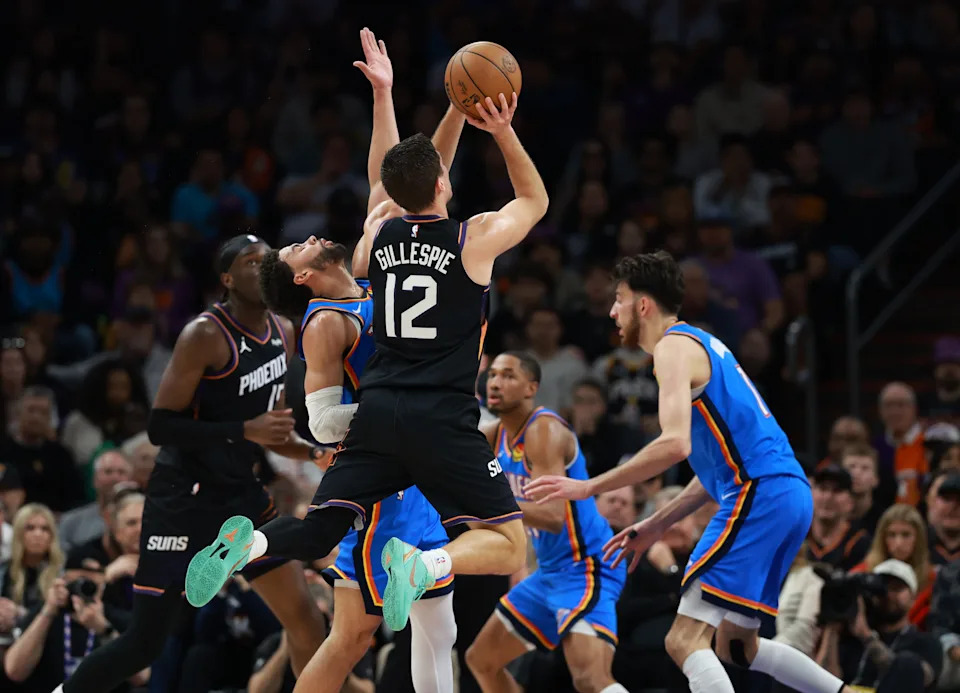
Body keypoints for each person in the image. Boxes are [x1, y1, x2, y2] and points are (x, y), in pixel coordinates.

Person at [185, 87, 548, 637]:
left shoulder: (377, 239)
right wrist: (499, 129)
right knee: (508, 545)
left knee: (319, 530)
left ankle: (251, 544)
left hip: (379, 417)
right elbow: (534, 200)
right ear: (444, 185)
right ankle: (422, 565)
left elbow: (398, 177)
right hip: (442, 417)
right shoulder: (470, 239)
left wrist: (442, 107)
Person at [526, 251, 851, 693]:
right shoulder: (702, 345)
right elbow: (712, 469)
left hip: (761, 493)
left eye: (618, 300)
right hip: (784, 493)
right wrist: (656, 524)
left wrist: (589, 485)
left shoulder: (672, 349)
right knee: (738, 647)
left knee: (682, 639)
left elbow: (673, 444)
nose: (611, 312)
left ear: (643, 305)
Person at [251, 28, 461, 693]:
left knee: (432, 623)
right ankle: (257, 545)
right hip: (384, 480)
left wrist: (388, 95)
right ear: (306, 279)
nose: (308, 237)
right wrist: (393, 418)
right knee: (354, 633)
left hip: (412, 464)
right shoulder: (327, 322)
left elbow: (403, 181)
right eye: (296, 249)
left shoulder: (369, 271)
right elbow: (318, 419)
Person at [53, 233, 328, 693]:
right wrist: (245, 431)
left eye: (268, 260)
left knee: (305, 619)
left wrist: (314, 451)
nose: (263, 268)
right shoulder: (204, 334)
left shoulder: (283, 331)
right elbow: (160, 426)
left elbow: (273, 430)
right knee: (145, 643)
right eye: (250, 262)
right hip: (184, 494)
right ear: (226, 279)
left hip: (239, 493)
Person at [465, 351, 629, 693]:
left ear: (531, 388)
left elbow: (553, 517)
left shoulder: (543, 430)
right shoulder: (494, 438)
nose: (495, 382)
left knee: (590, 680)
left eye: (509, 376)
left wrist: (486, 505)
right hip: (551, 571)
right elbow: (483, 518)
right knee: (481, 660)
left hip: (587, 565)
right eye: (493, 374)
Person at [815, 560, 942, 692]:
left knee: (908, 663)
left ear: (913, 598)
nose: (888, 595)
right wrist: (832, 627)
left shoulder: (926, 642)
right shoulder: (851, 637)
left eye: (897, 588)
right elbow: (822, 682)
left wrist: (867, 636)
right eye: (883, 588)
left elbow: (918, 676)